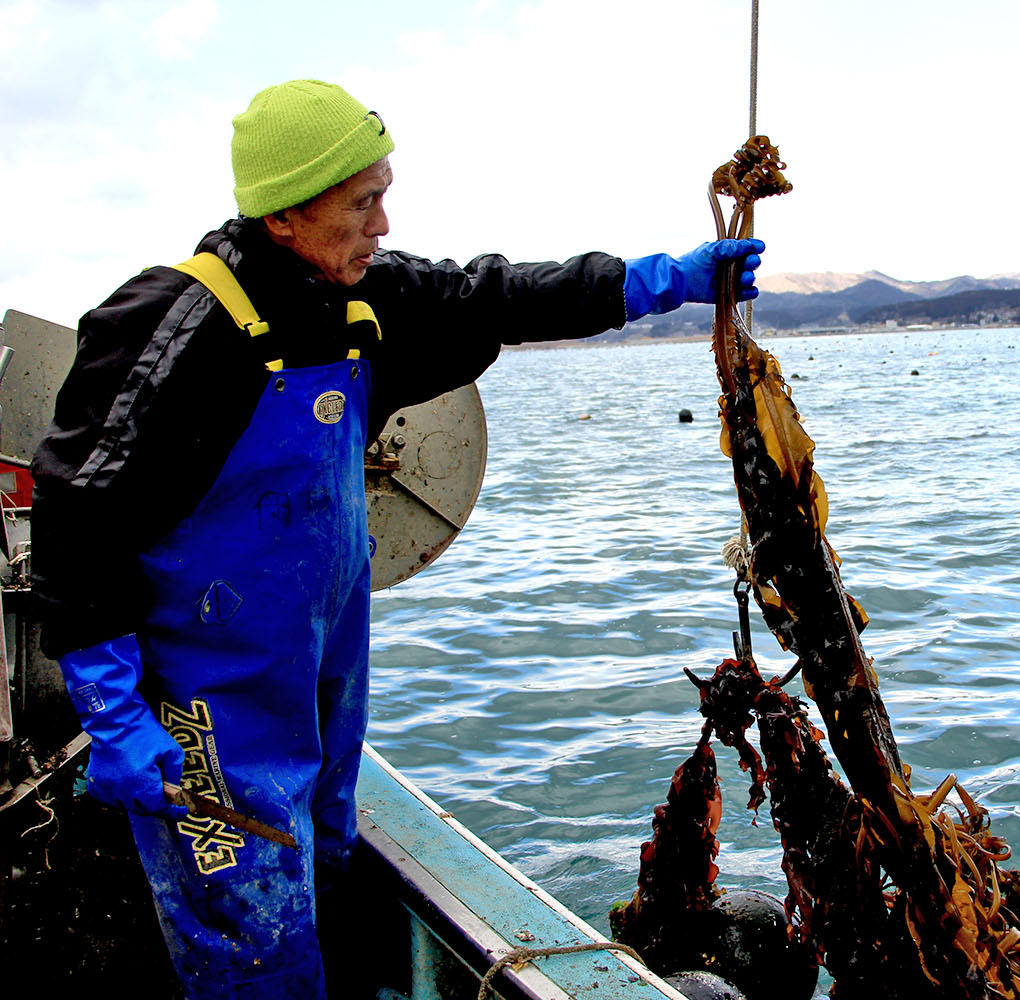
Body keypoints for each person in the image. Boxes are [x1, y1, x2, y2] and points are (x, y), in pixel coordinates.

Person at [30, 79, 764, 999]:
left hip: (321, 668)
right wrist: (115, 717)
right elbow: (74, 512)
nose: (383, 222)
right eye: (362, 200)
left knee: (324, 870)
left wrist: (661, 282)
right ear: (289, 211)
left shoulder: (363, 295)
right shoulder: (176, 323)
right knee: (247, 935)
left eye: (385, 192)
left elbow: (495, 296)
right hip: (203, 700)